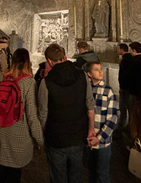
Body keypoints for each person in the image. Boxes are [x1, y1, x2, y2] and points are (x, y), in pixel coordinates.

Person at [38, 43, 96, 183]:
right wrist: (91, 129)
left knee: (58, 177)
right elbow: (90, 105)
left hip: (56, 138)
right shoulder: (82, 76)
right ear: (64, 57)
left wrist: (43, 136)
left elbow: (43, 114)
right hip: (78, 134)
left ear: (49, 61)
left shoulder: (46, 83)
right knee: (76, 174)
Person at [0, 48, 44, 183]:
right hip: (19, 133)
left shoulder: (3, 75)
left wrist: (2, 111)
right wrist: (40, 139)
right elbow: (32, 116)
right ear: (27, 62)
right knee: (14, 172)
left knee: (1, 169)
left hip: (2, 129)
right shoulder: (29, 82)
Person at [85, 61, 119, 183]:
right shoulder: (85, 89)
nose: (100, 72)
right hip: (88, 139)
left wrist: (99, 137)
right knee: (90, 171)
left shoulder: (108, 91)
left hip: (103, 141)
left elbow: (112, 118)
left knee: (102, 173)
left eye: (101, 69)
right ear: (89, 74)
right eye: (96, 69)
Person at [117, 43, 132, 129]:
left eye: (119, 49)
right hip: (129, 87)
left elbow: (123, 75)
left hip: (125, 87)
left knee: (123, 107)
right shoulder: (131, 58)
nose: (118, 51)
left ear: (122, 50)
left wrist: (122, 87)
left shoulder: (125, 60)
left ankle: (121, 125)